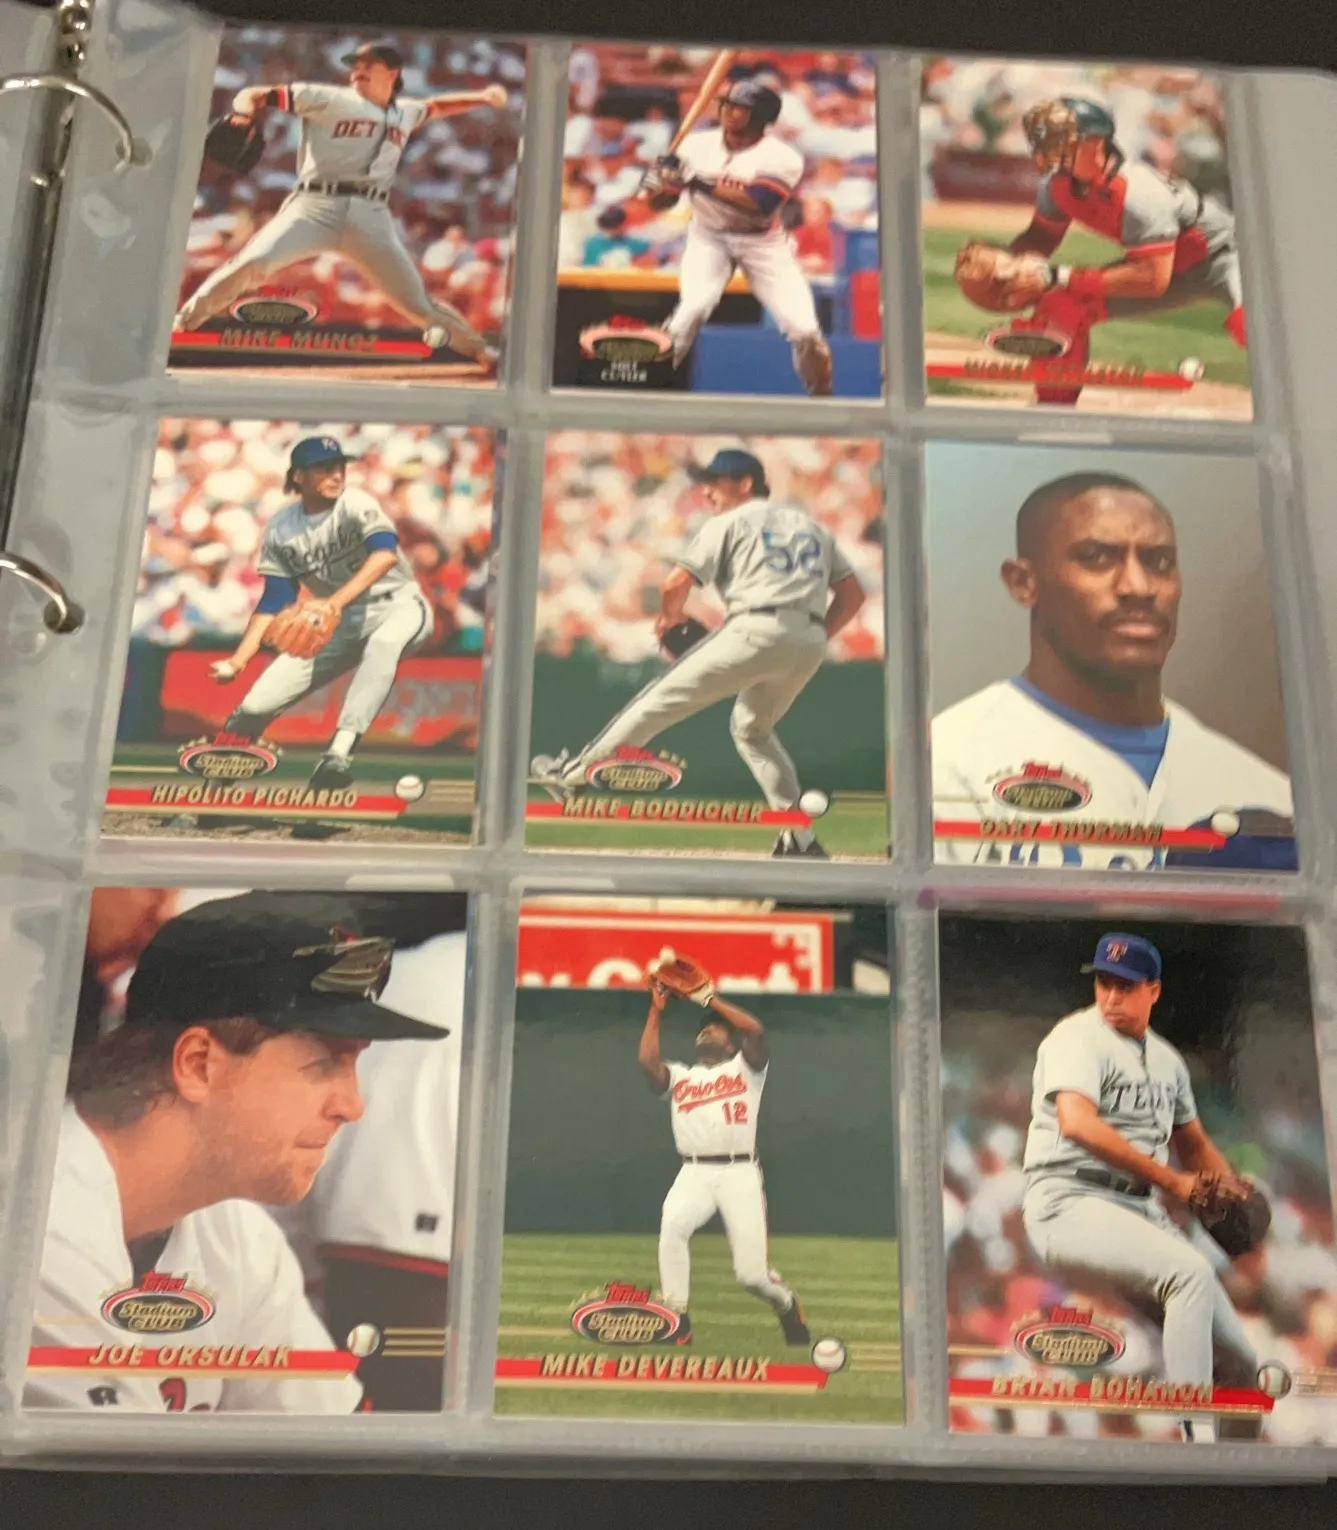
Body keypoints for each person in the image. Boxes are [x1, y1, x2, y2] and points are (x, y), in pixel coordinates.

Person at [25, 891, 450, 1413]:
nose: (352, 1106)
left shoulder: (235, 1234)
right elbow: (113, 1470)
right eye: (323, 1064)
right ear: (198, 1064)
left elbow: (337, 1447)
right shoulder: (34, 1232)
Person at [931, 472, 1294, 870]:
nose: (1138, 587)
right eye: (1097, 557)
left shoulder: (1267, 796)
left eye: (1159, 563)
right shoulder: (946, 764)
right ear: (1023, 582)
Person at [531, 448, 865, 858]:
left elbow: (675, 583)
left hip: (754, 628)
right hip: (809, 640)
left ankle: (572, 776)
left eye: (716, 482)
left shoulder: (729, 521)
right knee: (753, 730)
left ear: (745, 484)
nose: (706, 491)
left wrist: (669, 618)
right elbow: (852, 594)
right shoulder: (812, 527)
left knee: (656, 702)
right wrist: (810, 636)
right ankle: (799, 838)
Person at [1020, 933, 1260, 1443]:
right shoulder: (1076, 1038)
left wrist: (1232, 1191)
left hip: (1136, 1211)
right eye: (1104, 983)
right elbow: (1077, 1123)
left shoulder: (1168, 1061)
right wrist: (1174, 1182)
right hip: (1069, 1201)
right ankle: (1196, 1446)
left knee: (1241, 1365)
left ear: (1154, 990)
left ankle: (1235, 1470)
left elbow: (1193, 1143)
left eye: (1125, 986)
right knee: (1188, 1274)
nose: (1111, 996)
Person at [174, 42, 506, 369]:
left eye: (368, 65)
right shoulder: (327, 98)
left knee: (415, 303)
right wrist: (243, 113)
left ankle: (480, 351)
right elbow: (253, 94)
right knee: (253, 263)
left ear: (392, 73)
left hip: (370, 214)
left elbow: (435, 106)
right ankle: (182, 325)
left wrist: (482, 97)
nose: (358, 70)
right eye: (355, 65)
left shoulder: (405, 111)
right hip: (314, 206)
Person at [209, 435, 433, 794]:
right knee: (254, 705)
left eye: (340, 466)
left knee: (384, 644)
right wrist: (238, 660)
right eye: (324, 468)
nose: (336, 474)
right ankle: (210, 788)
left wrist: (334, 602)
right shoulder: (281, 528)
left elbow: (384, 555)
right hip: (336, 620)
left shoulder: (355, 503)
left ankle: (337, 756)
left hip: (398, 605)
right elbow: (275, 599)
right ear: (298, 476)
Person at [995, 96, 1244, 406]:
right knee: (1060, 305)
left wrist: (1058, 275)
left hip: (1229, 258)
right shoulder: (1056, 186)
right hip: (1169, 268)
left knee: (1254, 324)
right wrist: (1005, 265)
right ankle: (1054, 406)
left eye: (1064, 140)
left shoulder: (1139, 191)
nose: (1052, 149)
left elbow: (1150, 279)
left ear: (1097, 143)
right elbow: (1041, 237)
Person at [636, 960, 809, 1348]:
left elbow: (755, 1031)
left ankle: (785, 1304)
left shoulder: (746, 1070)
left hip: (738, 1172)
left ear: (731, 1044)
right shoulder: (682, 1077)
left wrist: (708, 1000)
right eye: (702, 1029)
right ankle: (677, 1319)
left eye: (713, 1028)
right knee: (672, 1224)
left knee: (751, 1276)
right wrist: (655, 1010)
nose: (705, 1031)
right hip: (693, 1172)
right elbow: (647, 1064)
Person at [639, 79, 834, 395]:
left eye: (740, 108)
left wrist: (695, 180)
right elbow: (660, 203)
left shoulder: (782, 157)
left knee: (805, 330)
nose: (729, 111)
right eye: (728, 104)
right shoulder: (694, 145)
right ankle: (647, 387)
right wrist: (660, 182)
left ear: (761, 117)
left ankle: (821, 396)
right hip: (708, 237)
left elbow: (759, 203)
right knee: (692, 309)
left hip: (762, 242)